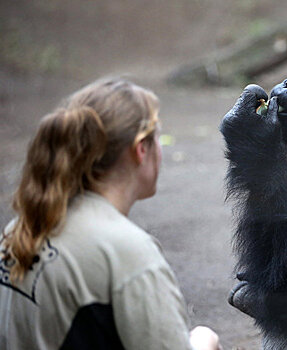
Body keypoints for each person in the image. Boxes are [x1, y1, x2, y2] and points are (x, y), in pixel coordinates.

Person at [0, 78, 221, 350]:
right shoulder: (127, 253)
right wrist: (204, 342)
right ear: (141, 149)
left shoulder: (20, 229)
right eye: (158, 138)